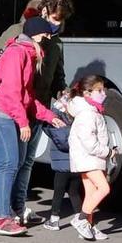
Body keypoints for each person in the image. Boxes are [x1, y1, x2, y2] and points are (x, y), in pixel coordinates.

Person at [0, 16, 64, 236]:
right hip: (0, 114)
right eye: (45, 35)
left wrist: (48, 115)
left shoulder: (25, 52)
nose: (47, 39)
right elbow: (11, 92)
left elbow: (26, 96)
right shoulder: (18, 53)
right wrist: (24, 123)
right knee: (8, 163)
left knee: (3, 164)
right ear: (36, 34)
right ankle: (1, 217)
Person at [65, 74, 119, 241]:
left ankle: (88, 226)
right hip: (88, 158)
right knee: (104, 188)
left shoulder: (90, 110)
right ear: (87, 94)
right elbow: (90, 143)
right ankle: (81, 219)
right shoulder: (87, 114)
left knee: (90, 193)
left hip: (88, 158)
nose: (103, 93)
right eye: (99, 90)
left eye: (103, 90)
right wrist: (108, 152)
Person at [42, 92, 78, 228]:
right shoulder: (77, 120)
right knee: (74, 192)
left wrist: (60, 102)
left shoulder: (57, 122)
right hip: (75, 163)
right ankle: (80, 220)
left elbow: (47, 126)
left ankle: (54, 220)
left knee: (58, 192)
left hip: (60, 165)